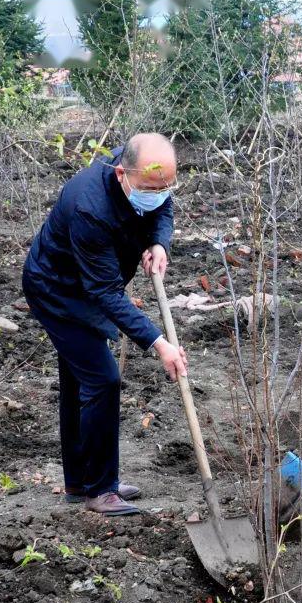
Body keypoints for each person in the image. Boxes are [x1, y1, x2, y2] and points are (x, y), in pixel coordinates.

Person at [22, 133, 188, 517]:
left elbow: (162, 207)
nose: (159, 193)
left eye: (166, 185)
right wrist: (158, 342)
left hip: (88, 284)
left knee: (80, 380)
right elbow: (105, 293)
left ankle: (81, 483)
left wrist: (159, 243)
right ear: (120, 173)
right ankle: (100, 490)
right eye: (150, 188)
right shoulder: (90, 207)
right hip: (58, 292)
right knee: (102, 379)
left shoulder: (145, 172)